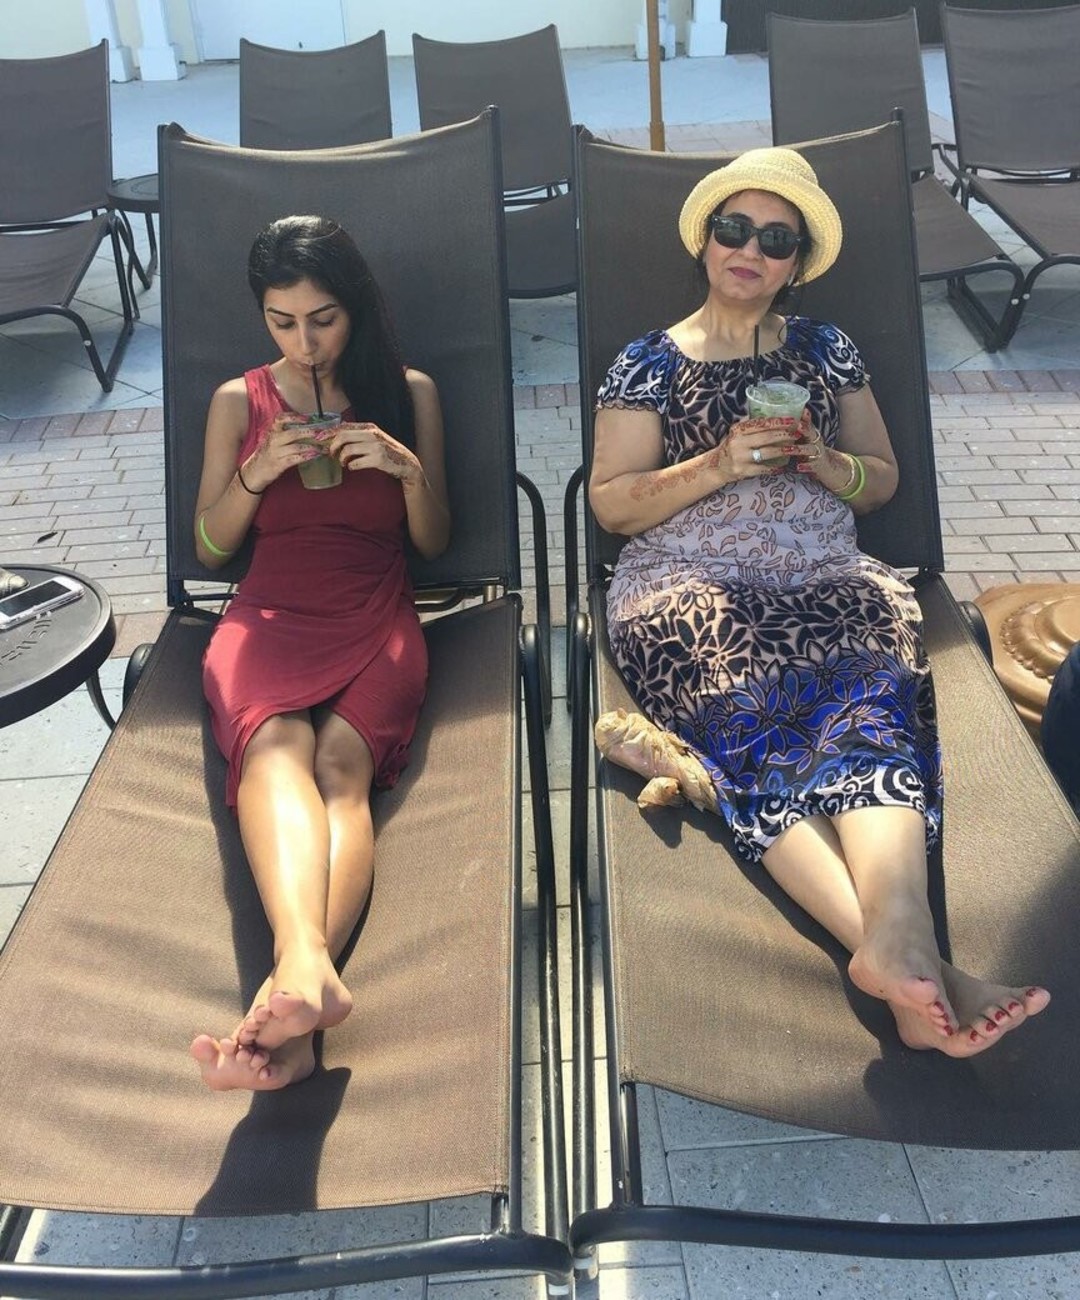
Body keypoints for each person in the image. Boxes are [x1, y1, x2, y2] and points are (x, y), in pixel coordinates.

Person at [589, 148, 1048, 1058]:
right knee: (757, 723)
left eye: (776, 240)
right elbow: (612, 505)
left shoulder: (826, 349)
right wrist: (717, 463)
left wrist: (829, 464)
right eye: (735, 229)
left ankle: (898, 959)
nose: (750, 250)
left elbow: (881, 481)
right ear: (706, 240)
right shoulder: (648, 362)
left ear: (795, 264)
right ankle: (922, 963)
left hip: (825, 576)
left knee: (864, 709)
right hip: (686, 585)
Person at [189, 215, 450, 1090]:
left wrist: (405, 469)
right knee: (274, 743)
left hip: (375, 609)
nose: (305, 343)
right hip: (267, 613)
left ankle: (290, 996)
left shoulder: (407, 392)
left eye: (323, 319)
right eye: (283, 322)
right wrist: (255, 473)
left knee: (341, 767)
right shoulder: (239, 402)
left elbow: (435, 541)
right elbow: (211, 549)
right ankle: (303, 983)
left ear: (356, 309)